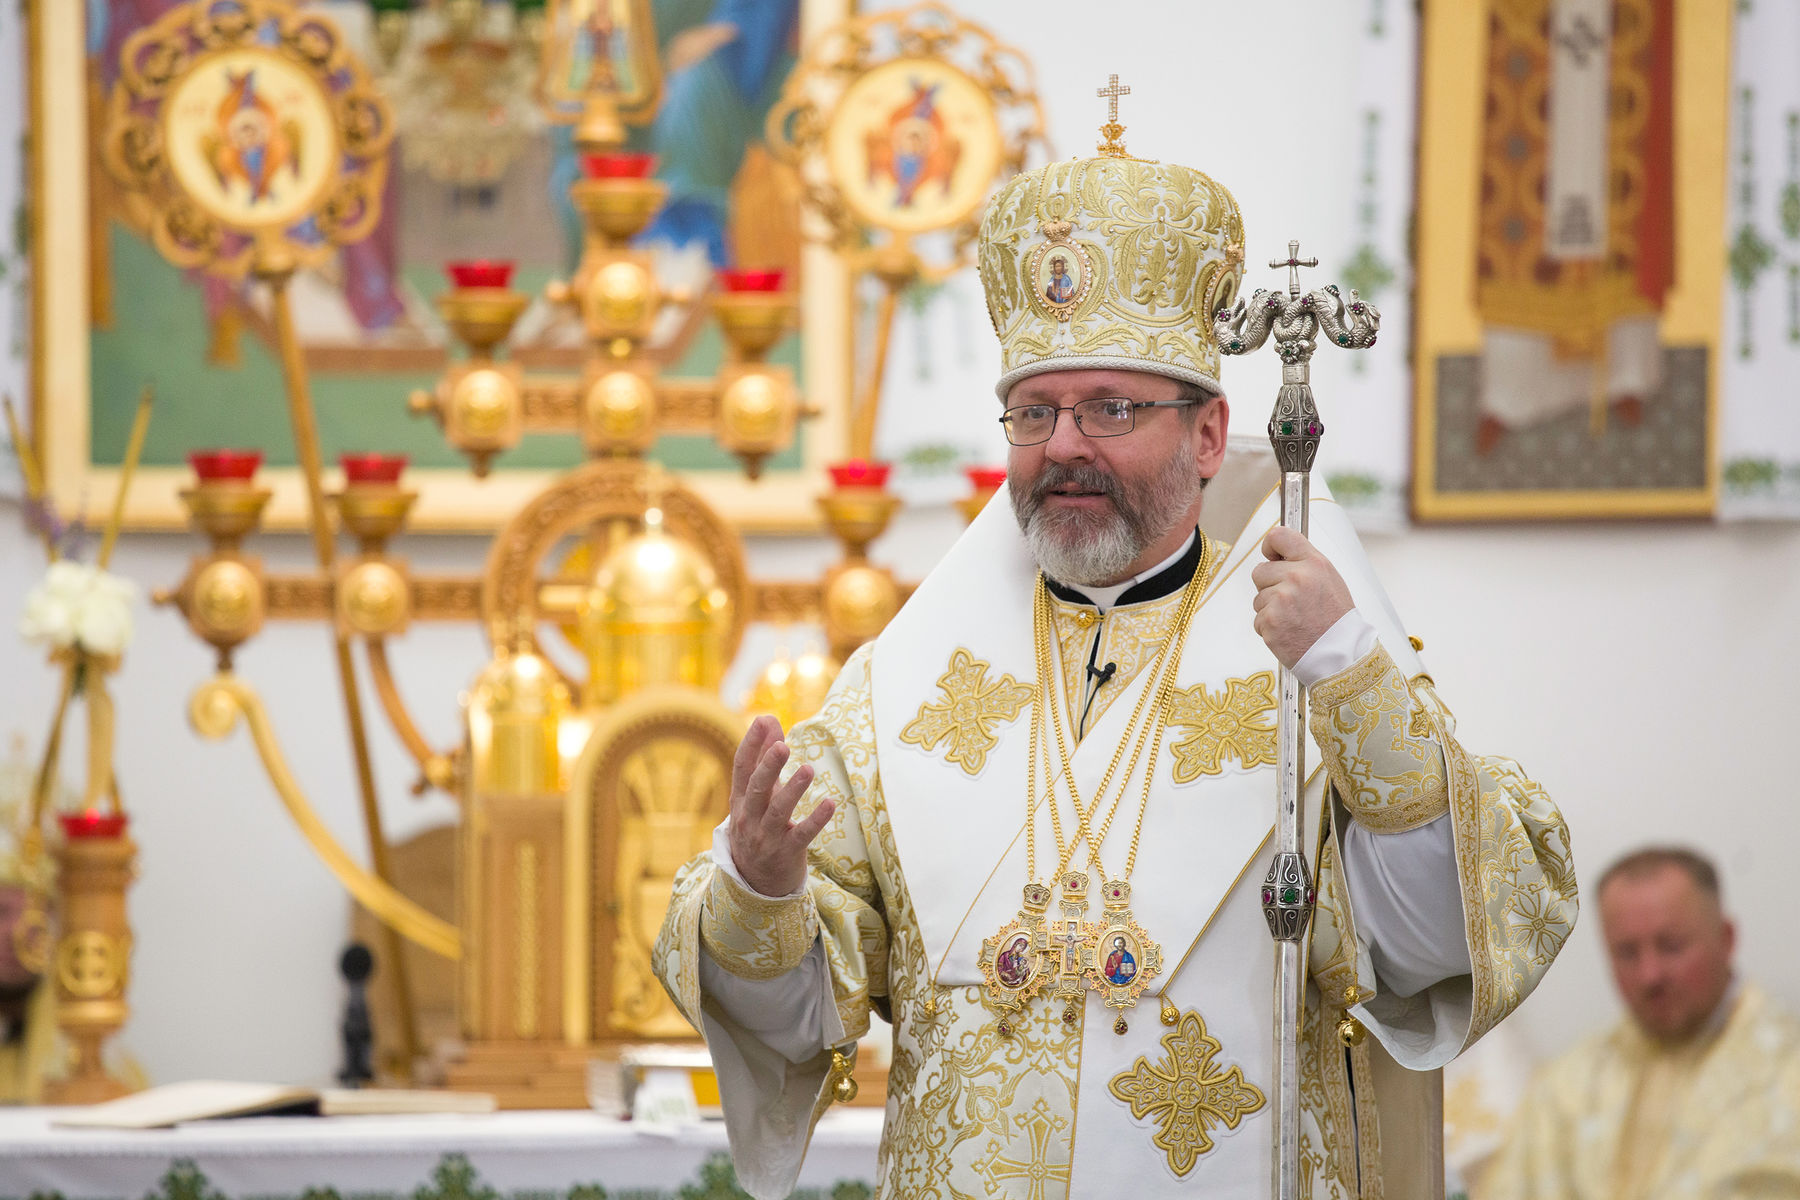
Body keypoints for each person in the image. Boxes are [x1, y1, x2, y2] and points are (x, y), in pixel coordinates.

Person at [653, 104, 1577, 1199]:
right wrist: (761, 892)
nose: (1064, 448)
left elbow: (1432, 955)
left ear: (1204, 437)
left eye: (1108, 407)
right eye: (1032, 415)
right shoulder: (898, 697)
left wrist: (1348, 677)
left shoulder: (1311, 664)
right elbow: (803, 1016)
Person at [1482, 847, 1800, 1200]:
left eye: (1672, 946)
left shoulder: (1788, 1072)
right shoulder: (1567, 1088)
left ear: (1726, 938)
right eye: (1627, 953)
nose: (1650, 975)